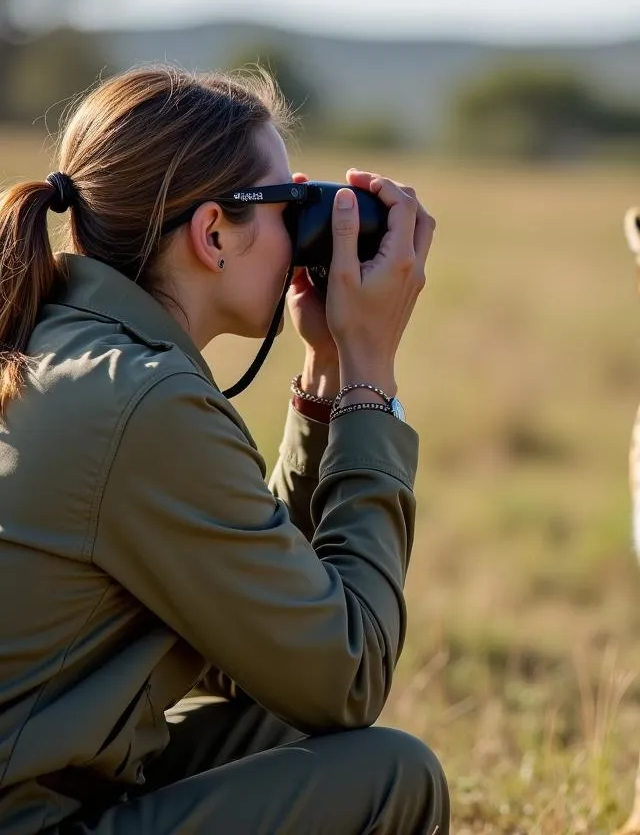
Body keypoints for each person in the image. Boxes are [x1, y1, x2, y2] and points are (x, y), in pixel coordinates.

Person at [0, 65, 449, 834]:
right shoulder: (143, 402)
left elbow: (271, 638)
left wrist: (324, 376)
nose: (308, 229)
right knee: (390, 779)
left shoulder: (56, 341)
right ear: (213, 234)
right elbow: (348, 670)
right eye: (288, 204)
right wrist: (371, 377)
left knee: (289, 732)